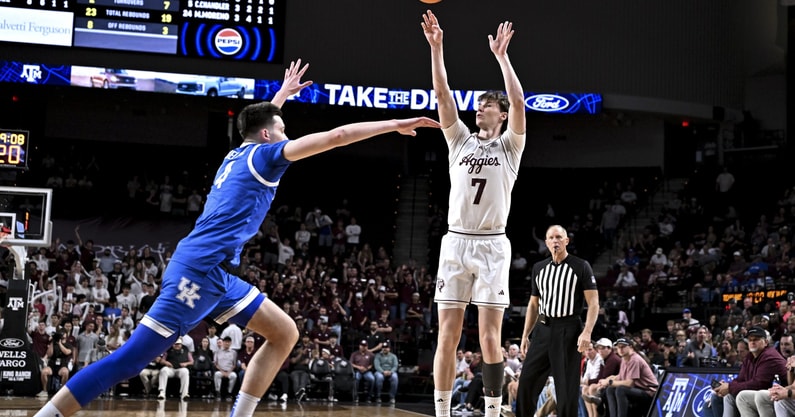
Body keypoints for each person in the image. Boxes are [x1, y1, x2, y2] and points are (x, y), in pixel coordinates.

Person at [33, 60, 441, 417]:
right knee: (130, 360)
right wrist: (394, 124)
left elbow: (261, 122)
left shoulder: (238, 152)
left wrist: (280, 96)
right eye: (282, 130)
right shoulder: (266, 155)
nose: (287, 136)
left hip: (217, 275)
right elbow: (335, 136)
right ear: (267, 137)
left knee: (284, 332)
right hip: (198, 270)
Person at [421, 10, 527, 417]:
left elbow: (518, 100)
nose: (478, 109)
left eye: (486, 106)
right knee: (446, 336)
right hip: (455, 242)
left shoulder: (511, 147)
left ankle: (494, 409)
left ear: (500, 115)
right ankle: (443, 411)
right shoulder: (459, 140)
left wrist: (502, 58)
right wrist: (437, 48)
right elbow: (442, 93)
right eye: (479, 105)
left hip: (492, 245)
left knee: (488, 338)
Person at [516, 225, 600, 417]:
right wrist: (525, 336)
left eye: (559, 237)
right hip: (543, 328)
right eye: (551, 238)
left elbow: (594, 303)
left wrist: (586, 332)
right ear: (546, 242)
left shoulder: (581, 266)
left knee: (566, 387)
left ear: (566, 241)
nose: (555, 241)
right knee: (527, 380)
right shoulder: (538, 268)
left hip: (568, 328)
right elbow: (533, 305)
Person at [707, 327, 787, 417]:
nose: (752, 342)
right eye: (750, 340)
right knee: (724, 397)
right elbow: (740, 379)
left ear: (766, 342)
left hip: (784, 396)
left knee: (742, 396)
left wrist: (730, 387)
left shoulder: (769, 356)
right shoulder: (750, 356)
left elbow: (759, 384)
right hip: (764, 394)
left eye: (756, 339)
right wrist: (725, 386)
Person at [600, 338, 658, 417]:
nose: (620, 349)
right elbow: (621, 377)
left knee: (620, 389)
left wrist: (609, 382)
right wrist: (608, 380)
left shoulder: (634, 360)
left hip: (649, 392)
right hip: (638, 389)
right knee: (610, 389)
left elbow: (629, 383)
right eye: (618, 347)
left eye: (623, 346)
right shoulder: (624, 358)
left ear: (630, 347)